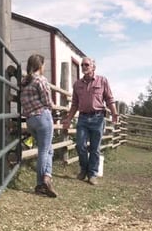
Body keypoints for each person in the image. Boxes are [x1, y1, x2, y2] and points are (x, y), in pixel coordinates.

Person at [62, 57, 118, 185]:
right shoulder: (77, 84)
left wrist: (114, 113)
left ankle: (92, 174)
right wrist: (69, 119)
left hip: (98, 118)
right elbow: (74, 104)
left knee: (95, 148)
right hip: (83, 118)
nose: (83, 67)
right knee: (80, 145)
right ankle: (84, 169)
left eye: (86, 64)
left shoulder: (102, 81)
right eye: (82, 65)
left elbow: (109, 99)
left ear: (93, 67)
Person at [20, 53, 57, 197]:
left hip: (30, 120)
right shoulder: (41, 80)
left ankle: (47, 177)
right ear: (40, 65)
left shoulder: (24, 82)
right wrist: (53, 106)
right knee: (44, 150)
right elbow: (47, 101)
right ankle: (41, 183)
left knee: (48, 149)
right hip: (42, 117)